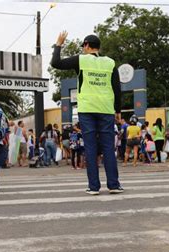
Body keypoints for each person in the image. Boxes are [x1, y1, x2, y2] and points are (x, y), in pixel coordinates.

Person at [51, 31, 123, 195]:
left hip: (87, 110)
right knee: (107, 147)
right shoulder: (110, 63)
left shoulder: (81, 60)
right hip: (106, 109)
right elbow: (117, 88)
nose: (83, 49)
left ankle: (94, 187)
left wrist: (59, 44)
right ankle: (114, 185)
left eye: (83, 46)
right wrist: (118, 110)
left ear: (87, 45)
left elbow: (56, 63)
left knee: (90, 147)